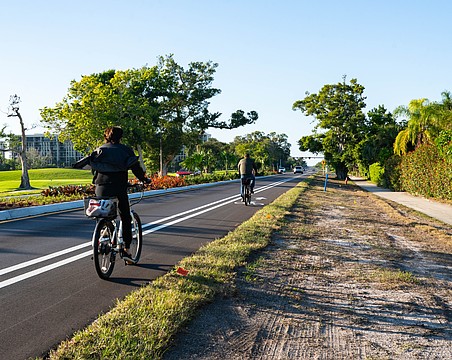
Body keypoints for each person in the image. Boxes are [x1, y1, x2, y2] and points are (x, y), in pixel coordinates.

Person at [73, 126, 150, 262]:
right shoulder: (125, 150)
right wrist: (144, 179)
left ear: (106, 136)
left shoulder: (99, 150)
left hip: (101, 186)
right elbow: (135, 167)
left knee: (102, 212)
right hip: (119, 186)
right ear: (120, 137)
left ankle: (103, 233)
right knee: (125, 216)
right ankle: (126, 250)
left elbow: (90, 165)